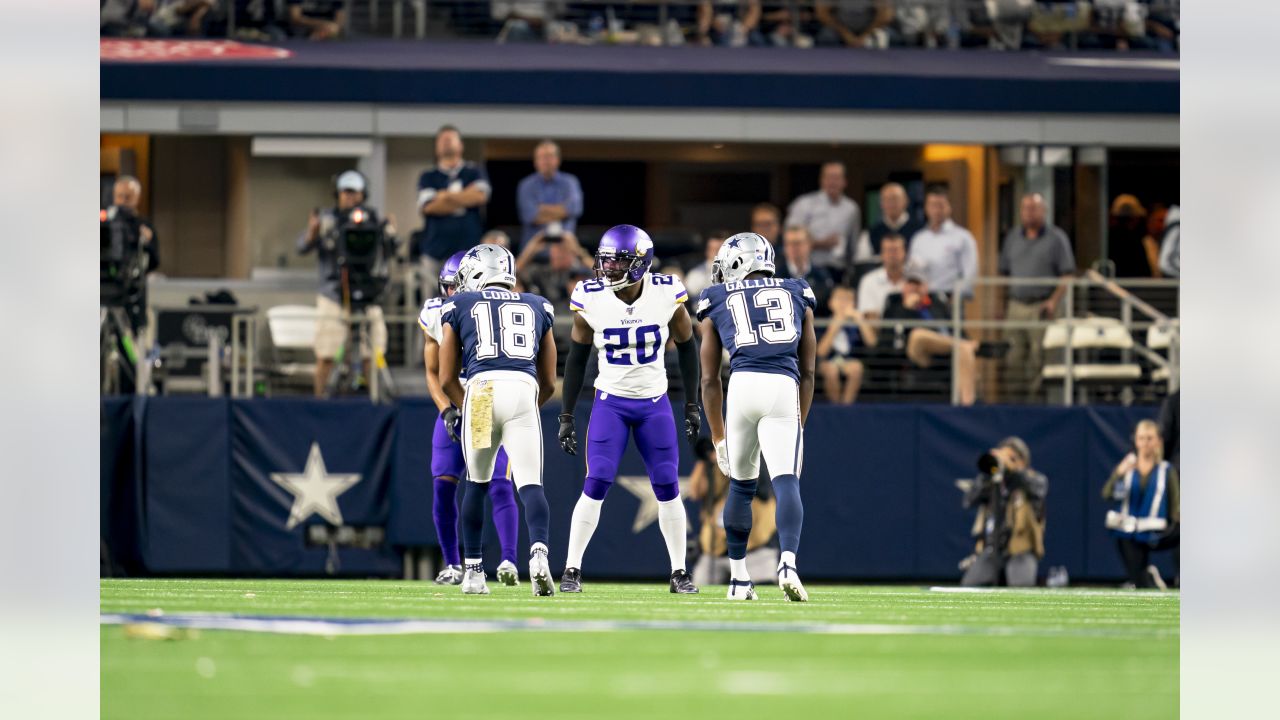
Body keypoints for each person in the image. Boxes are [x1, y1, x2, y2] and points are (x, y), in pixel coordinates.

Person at [556, 225, 702, 594]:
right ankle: (572, 568)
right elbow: (576, 359)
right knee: (597, 479)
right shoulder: (591, 296)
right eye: (605, 261)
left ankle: (679, 572)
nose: (607, 269)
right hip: (611, 403)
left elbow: (688, 346)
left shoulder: (666, 293)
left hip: (654, 403)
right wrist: (567, 414)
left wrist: (692, 403)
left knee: (668, 484)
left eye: (617, 261)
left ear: (640, 263)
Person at [696, 232, 817, 601]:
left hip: (743, 386)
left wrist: (718, 437)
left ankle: (738, 579)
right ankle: (788, 563)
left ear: (737, 263)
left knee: (741, 486)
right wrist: (799, 420)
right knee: (786, 483)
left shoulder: (716, 297)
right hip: (783, 385)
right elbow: (809, 371)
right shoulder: (798, 289)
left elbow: (709, 378)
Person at [439, 245, 558, 596]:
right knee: (531, 485)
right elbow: (550, 381)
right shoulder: (538, 304)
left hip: (481, 390)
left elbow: (447, 378)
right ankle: (538, 554)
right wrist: (526, 407)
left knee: (476, 483)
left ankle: (473, 572)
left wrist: (472, 406)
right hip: (523, 389)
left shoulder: (459, 304)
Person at [418, 251, 521, 587]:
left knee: (500, 484)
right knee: (443, 486)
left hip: (489, 400)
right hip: (456, 402)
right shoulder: (436, 313)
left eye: (456, 286)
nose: (452, 293)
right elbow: (433, 372)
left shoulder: (496, 309)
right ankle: (452, 564)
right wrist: (446, 409)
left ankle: (508, 560)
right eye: (447, 287)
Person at [296, 170, 391, 398]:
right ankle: (321, 404)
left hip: (368, 295)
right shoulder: (327, 220)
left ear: (363, 194)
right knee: (327, 356)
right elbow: (301, 246)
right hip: (334, 295)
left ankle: (377, 404)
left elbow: (391, 250)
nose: (350, 197)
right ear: (337, 193)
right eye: (345, 192)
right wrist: (312, 233)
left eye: (354, 192)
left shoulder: (373, 220)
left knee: (373, 355)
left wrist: (390, 233)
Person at [999, 193, 1077, 399]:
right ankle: (1014, 406)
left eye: (1034, 208)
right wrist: (1001, 305)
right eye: (1025, 208)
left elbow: (1067, 275)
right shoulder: (1012, 238)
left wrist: (1053, 301)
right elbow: (1003, 274)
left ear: (1044, 211)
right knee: (1013, 358)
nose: (1029, 213)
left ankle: (1036, 405)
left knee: (1038, 360)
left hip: (1042, 307)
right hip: (1016, 306)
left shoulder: (1057, 238)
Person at [687, 437, 779, 586]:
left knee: (762, 593)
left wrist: (736, 453)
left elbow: (763, 490)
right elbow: (695, 492)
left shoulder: (753, 461)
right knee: (698, 589)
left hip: (754, 551)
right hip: (715, 552)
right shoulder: (715, 471)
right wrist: (704, 459)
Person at [882, 270, 980, 406]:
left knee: (965, 350)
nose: (914, 288)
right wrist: (908, 309)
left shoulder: (937, 305)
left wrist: (965, 340)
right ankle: (960, 344)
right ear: (904, 287)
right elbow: (891, 337)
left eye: (918, 284)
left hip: (944, 355)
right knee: (918, 335)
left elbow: (956, 328)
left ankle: (966, 407)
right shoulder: (896, 307)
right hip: (916, 354)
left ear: (926, 287)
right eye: (911, 284)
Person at [1102, 419, 1180, 589]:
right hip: (1131, 533)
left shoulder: (1166, 469)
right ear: (1136, 441)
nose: (1145, 443)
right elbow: (1107, 494)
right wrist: (1118, 474)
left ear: (1158, 441)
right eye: (1142, 438)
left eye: (1150, 438)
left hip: (1158, 531)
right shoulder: (1127, 467)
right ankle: (1145, 577)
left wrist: (1176, 523)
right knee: (1141, 585)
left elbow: (1176, 503)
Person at [960, 437, 1048, 587]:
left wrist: (1015, 470)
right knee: (969, 587)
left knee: (1021, 588)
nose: (1006, 461)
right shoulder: (995, 481)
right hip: (991, 551)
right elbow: (969, 500)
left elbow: (1039, 490)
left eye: (1012, 457)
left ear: (1023, 461)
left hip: (1021, 549)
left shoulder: (1034, 479)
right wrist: (989, 471)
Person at [416, 125, 491, 298]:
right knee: (431, 307)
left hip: (469, 254)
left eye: (450, 139)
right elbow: (429, 207)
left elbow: (480, 197)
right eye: (442, 140)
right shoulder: (428, 176)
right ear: (436, 147)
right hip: (435, 252)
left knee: (470, 304)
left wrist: (444, 196)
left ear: (461, 145)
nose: (446, 143)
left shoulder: (474, 171)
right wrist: (464, 197)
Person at [784, 162, 861, 277]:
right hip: (808, 270)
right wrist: (820, 243)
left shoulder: (851, 208)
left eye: (836, 178)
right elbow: (790, 237)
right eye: (829, 177)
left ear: (844, 182)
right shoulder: (804, 204)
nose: (832, 182)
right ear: (822, 180)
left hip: (839, 270)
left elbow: (853, 243)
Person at [106, 175, 161, 333]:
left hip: (131, 294)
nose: (123, 201)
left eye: (128, 197)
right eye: (120, 196)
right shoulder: (105, 224)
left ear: (137, 198)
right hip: (104, 290)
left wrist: (146, 242)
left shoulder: (143, 226)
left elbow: (154, 261)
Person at [908, 186, 978, 300]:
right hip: (921, 301)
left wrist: (955, 299)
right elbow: (912, 271)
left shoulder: (963, 237)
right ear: (926, 208)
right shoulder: (918, 239)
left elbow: (970, 275)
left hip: (950, 299)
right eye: (932, 205)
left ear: (949, 207)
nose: (936, 210)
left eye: (941, 205)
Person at [516, 139, 583, 251]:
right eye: (542, 157)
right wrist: (561, 210)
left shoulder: (570, 182)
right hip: (534, 254)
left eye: (549, 156)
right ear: (535, 161)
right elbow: (530, 216)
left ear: (558, 159)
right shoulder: (526, 185)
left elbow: (574, 209)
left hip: (565, 253)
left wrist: (542, 208)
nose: (546, 161)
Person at [817, 286, 877, 405]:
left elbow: (871, 342)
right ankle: (836, 408)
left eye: (848, 299)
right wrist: (836, 324)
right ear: (830, 303)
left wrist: (861, 320)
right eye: (839, 299)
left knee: (856, 368)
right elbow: (821, 352)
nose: (843, 303)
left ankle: (846, 408)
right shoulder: (822, 323)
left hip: (849, 360)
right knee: (831, 370)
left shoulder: (855, 324)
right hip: (828, 361)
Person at [515, 230, 594, 314]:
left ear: (572, 254)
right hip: (544, 314)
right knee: (516, 288)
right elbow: (511, 274)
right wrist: (531, 249)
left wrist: (578, 251)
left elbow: (603, 275)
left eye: (562, 250)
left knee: (576, 285)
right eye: (554, 250)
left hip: (570, 316)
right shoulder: (540, 271)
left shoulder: (578, 272)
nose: (557, 254)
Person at [855, 182, 923, 261]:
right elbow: (864, 262)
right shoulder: (870, 233)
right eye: (886, 199)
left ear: (906, 201)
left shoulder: (920, 231)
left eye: (895, 198)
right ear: (880, 203)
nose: (891, 203)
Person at [775, 225, 835, 315]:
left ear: (809, 244)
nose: (793, 248)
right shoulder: (775, 276)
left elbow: (825, 305)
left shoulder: (822, 275)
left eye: (797, 243)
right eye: (789, 243)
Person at [856, 233, 908, 321]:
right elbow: (867, 315)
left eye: (896, 250)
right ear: (881, 254)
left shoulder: (915, 280)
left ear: (904, 253)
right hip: (879, 330)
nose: (892, 255)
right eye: (888, 250)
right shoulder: (868, 280)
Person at [814, 0, 893, 47]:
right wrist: (845, 34)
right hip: (839, 30)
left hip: (870, 29)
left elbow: (885, 15)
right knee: (827, 38)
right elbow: (822, 13)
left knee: (893, 39)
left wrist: (865, 35)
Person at [683, 231, 727, 301]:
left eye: (718, 250)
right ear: (707, 251)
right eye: (712, 250)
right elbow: (689, 294)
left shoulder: (735, 272)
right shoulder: (696, 274)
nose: (716, 254)